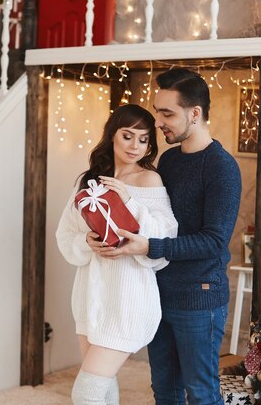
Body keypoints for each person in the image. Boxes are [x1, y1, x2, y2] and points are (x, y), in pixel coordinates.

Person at [91, 68, 242, 405]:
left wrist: (150, 246)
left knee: (201, 394)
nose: (158, 122)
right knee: (164, 391)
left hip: (199, 298)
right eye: (158, 111)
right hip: (157, 293)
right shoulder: (169, 160)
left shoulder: (222, 168)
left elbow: (213, 241)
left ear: (195, 114)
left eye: (167, 113)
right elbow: (152, 218)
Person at [56, 104, 178, 405]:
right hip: (91, 299)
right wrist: (87, 241)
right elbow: (65, 235)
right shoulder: (88, 181)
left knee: (86, 393)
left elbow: (165, 240)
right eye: (128, 136)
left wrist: (129, 201)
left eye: (144, 139)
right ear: (111, 135)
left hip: (128, 300)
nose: (136, 146)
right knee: (103, 388)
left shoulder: (150, 181)